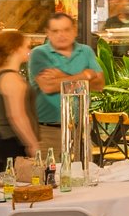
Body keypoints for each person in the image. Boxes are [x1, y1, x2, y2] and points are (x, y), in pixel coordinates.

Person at [26, 10, 104, 144]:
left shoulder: (85, 51)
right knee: (48, 166)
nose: (61, 35)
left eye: (66, 30)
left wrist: (61, 76)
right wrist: (84, 75)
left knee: (83, 166)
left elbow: (99, 84)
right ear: (48, 33)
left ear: (74, 31)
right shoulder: (39, 54)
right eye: (55, 31)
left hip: (80, 129)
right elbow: (48, 87)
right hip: (48, 131)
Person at [0, 29, 46, 178]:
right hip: (12, 141)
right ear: (14, 49)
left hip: (1, 138)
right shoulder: (10, 78)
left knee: (5, 184)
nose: (29, 50)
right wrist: (32, 143)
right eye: (26, 46)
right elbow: (17, 116)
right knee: (16, 187)